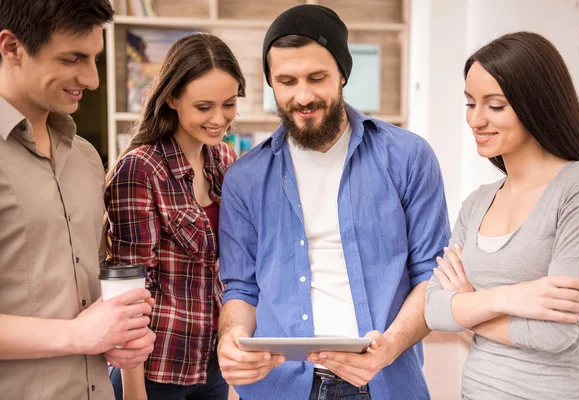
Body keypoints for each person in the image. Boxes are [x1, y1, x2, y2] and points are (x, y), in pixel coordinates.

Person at [216, 5, 450, 400]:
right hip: (279, 388)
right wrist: (233, 338)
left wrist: (388, 346)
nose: (302, 96)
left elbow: (433, 276)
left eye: (317, 78)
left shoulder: (409, 158)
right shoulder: (245, 178)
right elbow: (241, 288)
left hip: (384, 383)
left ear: (343, 73)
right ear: (271, 83)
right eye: (287, 81)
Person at [424, 31, 579, 400]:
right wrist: (512, 297)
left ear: (536, 104)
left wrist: (468, 304)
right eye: (470, 103)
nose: (476, 119)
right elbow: (435, 310)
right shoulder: (477, 202)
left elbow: (556, 335)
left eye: (496, 105)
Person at [0, 0, 156, 399]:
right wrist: (77, 335)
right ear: (11, 47)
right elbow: (81, 330)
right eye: (73, 59)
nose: (92, 78)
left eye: (95, 59)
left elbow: (83, 290)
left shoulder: (87, 159)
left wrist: (120, 335)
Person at [104, 32, 245, 400]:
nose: (219, 119)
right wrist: (134, 392)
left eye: (229, 104)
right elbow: (128, 293)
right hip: (155, 369)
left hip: (210, 363)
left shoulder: (226, 161)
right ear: (171, 98)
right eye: (204, 107)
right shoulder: (140, 169)